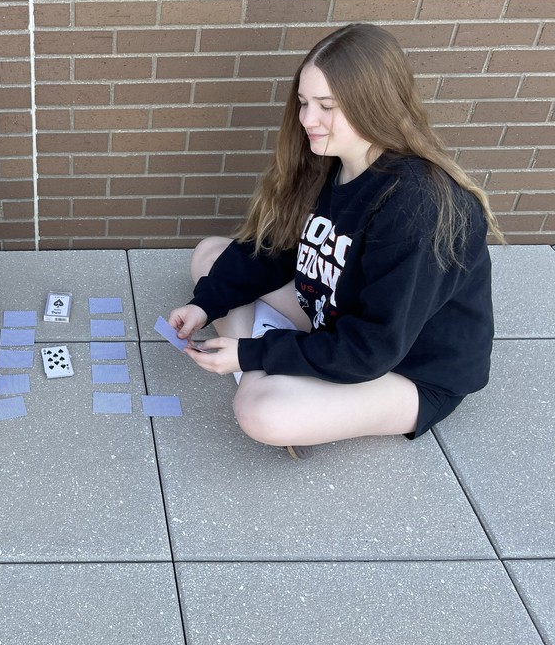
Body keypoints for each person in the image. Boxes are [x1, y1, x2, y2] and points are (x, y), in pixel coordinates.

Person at [166, 23, 502, 460]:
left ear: (374, 105)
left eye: (326, 106)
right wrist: (205, 305)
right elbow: (277, 250)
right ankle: (283, 380)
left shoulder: (417, 204)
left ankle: (266, 385)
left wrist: (251, 355)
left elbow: (372, 348)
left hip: (407, 368)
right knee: (211, 256)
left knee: (259, 413)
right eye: (304, 103)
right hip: (336, 314)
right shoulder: (332, 160)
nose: (307, 120)